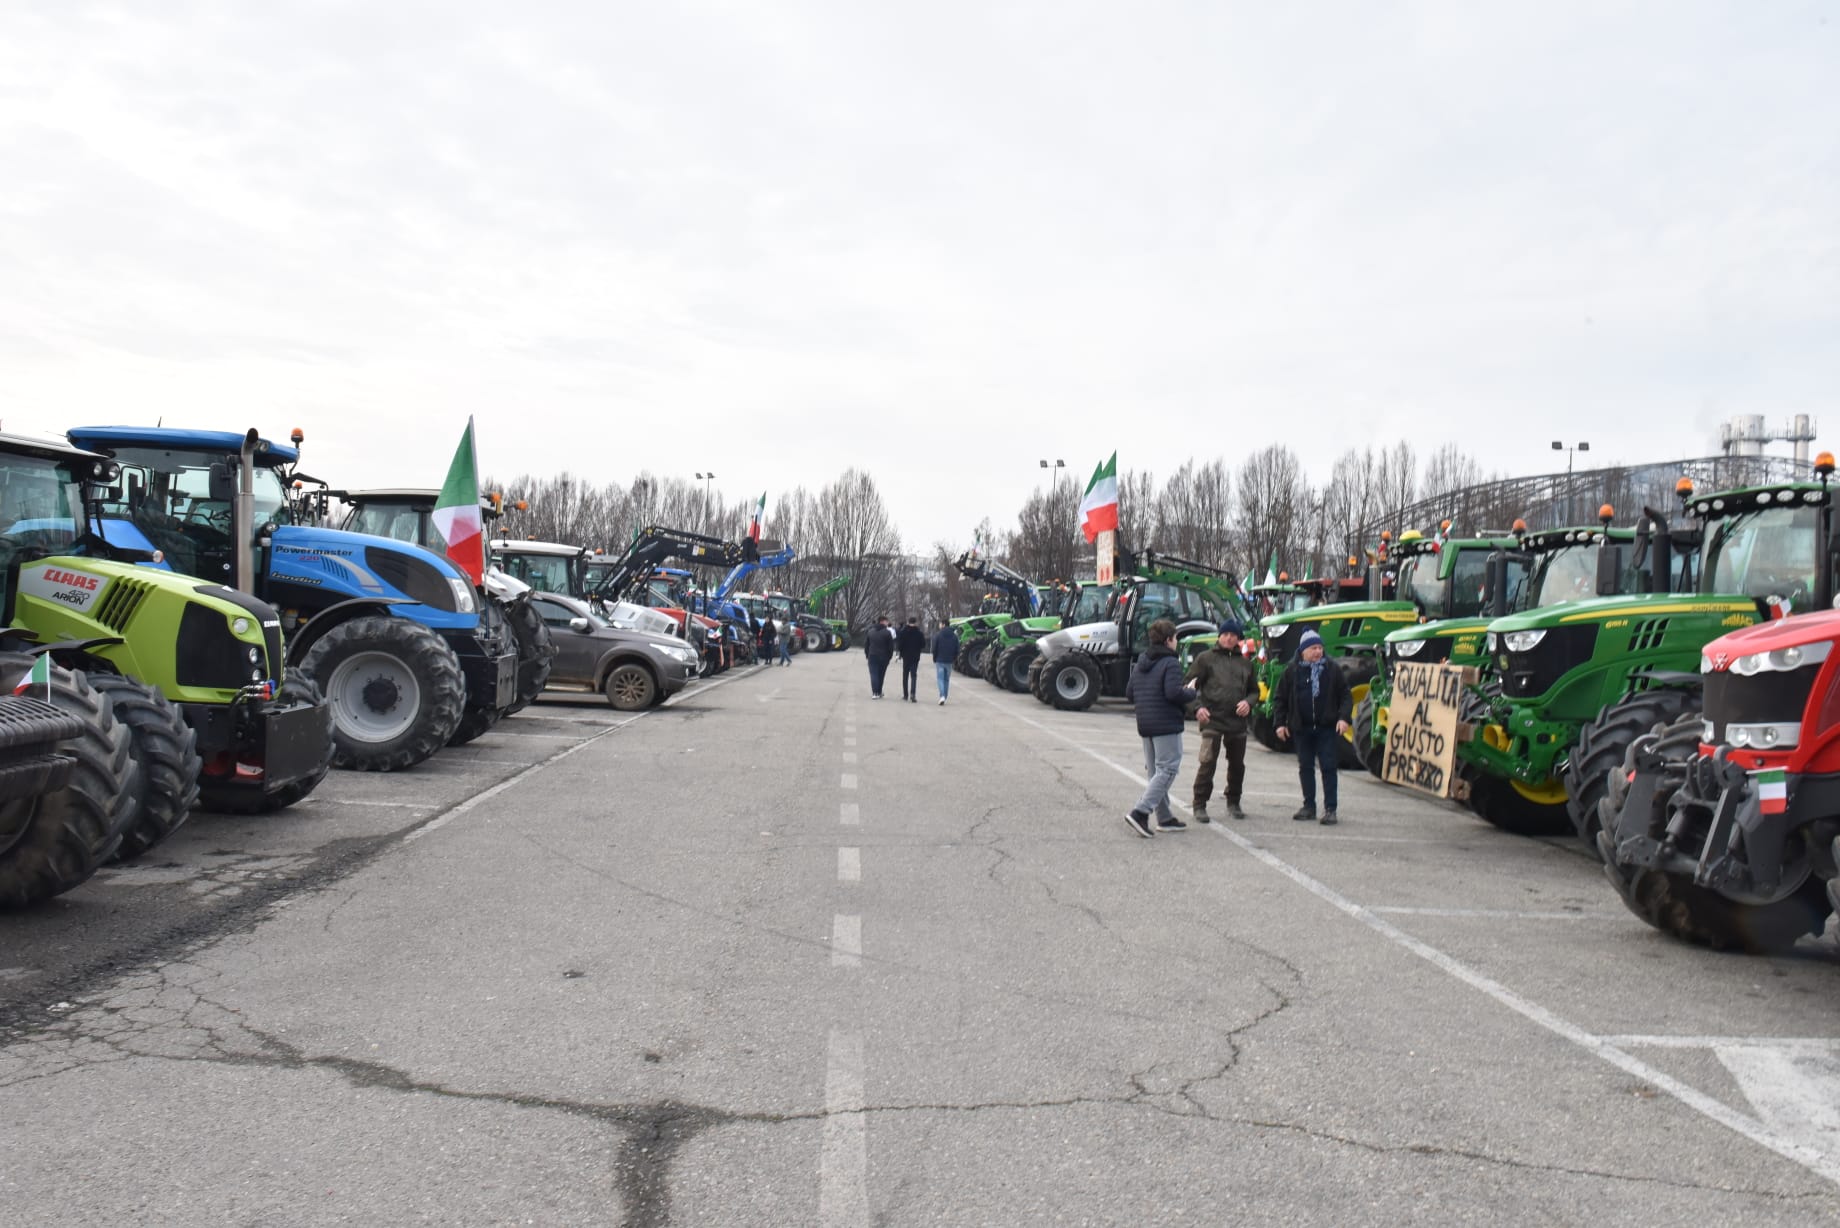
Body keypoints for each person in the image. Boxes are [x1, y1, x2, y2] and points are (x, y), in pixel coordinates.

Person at [1122, 619, 1197, 838]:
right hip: (1165, 722)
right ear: (1168, 640)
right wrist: (1190, 691)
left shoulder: (1142, 660)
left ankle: (1164, 817)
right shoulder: (1170, 662)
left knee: (1156, 771)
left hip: (1146, 722)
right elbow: (1173, 693)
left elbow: (1129, 693)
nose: (1177, 643)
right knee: (1168, 769)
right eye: (1175, 638)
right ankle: (1141, 812)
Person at [1273, 628, 1353, 825]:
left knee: (1328, 767)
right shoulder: (1292, 671)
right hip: (1302, 728)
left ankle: (1330, 809)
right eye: (1313, 648)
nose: (1318, 652)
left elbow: (1345, 696)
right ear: (1303, 651)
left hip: (1326, 728)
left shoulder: (1332, 670)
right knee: (1305, 767)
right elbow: (1280, 699)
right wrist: (1280, 724)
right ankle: (1309, 806)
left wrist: (1343, 718)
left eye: (1320, 648)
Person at [1186, 621, 1256, 823]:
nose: (1229, 638)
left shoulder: (1245, 663)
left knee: (1237, 765)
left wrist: (1248, 702)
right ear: (1219, 636)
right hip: (1212, 720)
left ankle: (1234, 801)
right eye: (1225, 634)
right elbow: (1188, 686)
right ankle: (1199, 804)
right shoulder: (1205, 659)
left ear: (1238, 638)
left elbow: (1254, 690)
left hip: (1237, 722)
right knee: (1207, 763)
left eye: (1233, 635)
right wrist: (1197, 708)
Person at [895, 615, 926, 702]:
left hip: (906, 656)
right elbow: (923, 644)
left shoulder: (903, 632)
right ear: (916, 623)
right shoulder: (919, 633)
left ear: (908, 622)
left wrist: (901, 653)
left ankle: (905, 695)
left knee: (905, 675)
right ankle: (913, 694)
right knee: (913, 675)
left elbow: (899, 645)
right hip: (915, 656)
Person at [864, 615, 895, 699]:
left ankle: (875, 693)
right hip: (883, 657)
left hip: (872, 655)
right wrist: (889, 657)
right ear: (882, 621)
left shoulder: (871, 631)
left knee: (873, 674)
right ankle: (879, 691)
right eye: (886, 621)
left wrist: (867, 654)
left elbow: (867, 645)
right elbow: (891, 647)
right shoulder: (887, 633)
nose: (887, 623)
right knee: (881, 675)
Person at [930, 619, 959, 704]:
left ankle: (942, 695)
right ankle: (945, 696)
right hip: (949, 660)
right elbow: (957, 649)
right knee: (946, 679)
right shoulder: (954, 636)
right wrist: (954, 658)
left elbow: (935, 648)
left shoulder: (938, 635)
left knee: (940, 679)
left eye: (940, 624)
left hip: (940, 659)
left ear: (943, 624)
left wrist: (934, 658)